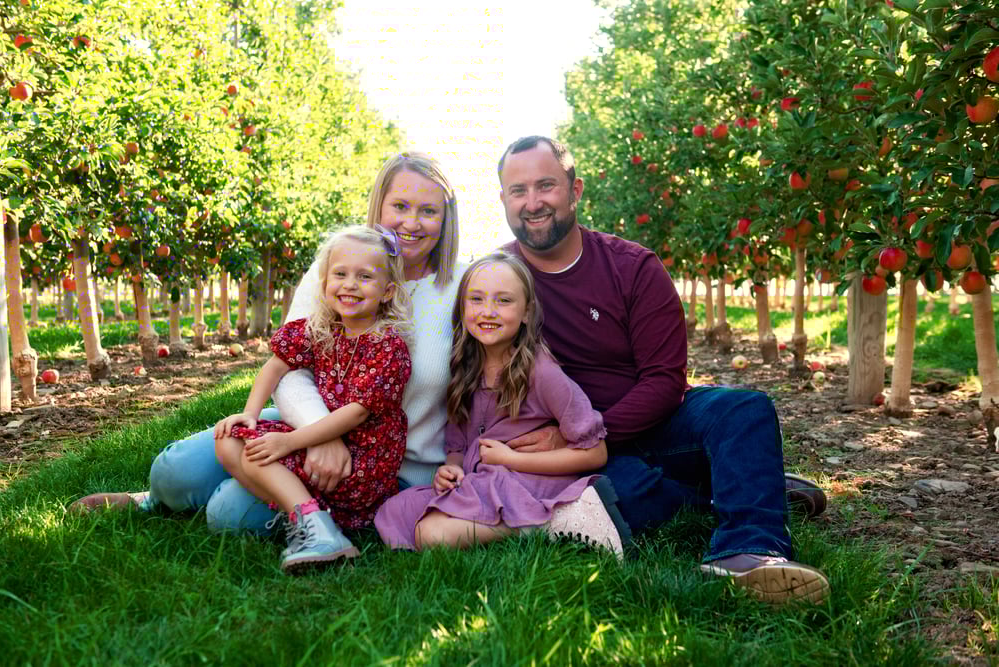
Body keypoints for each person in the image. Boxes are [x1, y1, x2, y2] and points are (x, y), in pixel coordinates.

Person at [493, 135, 830, 604]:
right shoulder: (496, 281)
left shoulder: (631, 267)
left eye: (546, 186)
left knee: (744, 410)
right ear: (504, 199)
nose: (533, 202)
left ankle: (749, 552)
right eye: (518, 190)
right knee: (616, 499)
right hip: (578, 455)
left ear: (576, 190)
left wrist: (587, 435)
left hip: (652, 423)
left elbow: (664, 382)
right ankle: (750, 484)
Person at [72, 152, 465, 536]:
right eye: (399, 205)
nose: (411, 222)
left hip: (383, 465)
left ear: (446, 218)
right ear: (379, 205)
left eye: (428, 211)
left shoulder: (463, 288)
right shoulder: (337, 267)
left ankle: (224, 504)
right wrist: (320, 435)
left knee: (230, 514)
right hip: (302, 424)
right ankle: (159, 498)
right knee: (174, 471)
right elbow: (289, 366)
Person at [375, 253, 630, 557]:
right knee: (393, 511)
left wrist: (511, 459)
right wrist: (451, 470)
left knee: (431, 534)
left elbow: (595, 452)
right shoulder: (464, 368)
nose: (488, 311)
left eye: (504, 301)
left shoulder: (541, 371)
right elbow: (457, 447)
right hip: (484, 480)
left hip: (529, 482)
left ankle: (557, 519)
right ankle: (536, 523)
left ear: (527, 312)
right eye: (477, 299)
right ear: (462, 308)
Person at [213, 225, 411, 572]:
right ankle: (314, 523)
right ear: (324, 282)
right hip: (318, 446)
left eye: (365, 277)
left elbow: (355, 415)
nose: (350, 284)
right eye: (340, 274)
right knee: (229, 441)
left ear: (387, 291)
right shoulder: (320, 329)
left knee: (259, 455)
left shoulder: (387, 346)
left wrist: (288, 442)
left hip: (360, 461)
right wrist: (249, 413)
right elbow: (275, 367)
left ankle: (319, 528)